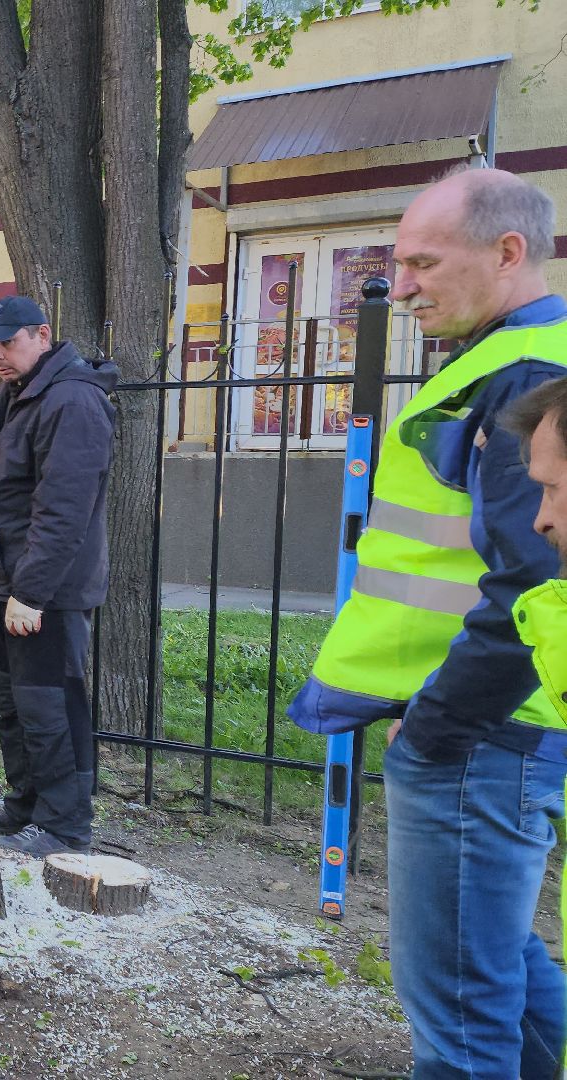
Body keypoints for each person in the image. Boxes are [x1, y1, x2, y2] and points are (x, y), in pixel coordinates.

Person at [289, 167, 567, 1079]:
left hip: (478, 737)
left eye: (420, 262)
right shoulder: (506, 362)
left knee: (457, 1012)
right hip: (495, 732)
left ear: (508, 253)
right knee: (494, 964)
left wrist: (439, 725)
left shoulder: (523, 378)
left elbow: (541, 579)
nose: (399, 285)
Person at [0, 294, 117, 858]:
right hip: (8, 586)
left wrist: (29, 592)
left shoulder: (72, 400)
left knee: (50, 704)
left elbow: (64, 509)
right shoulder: (19, 394)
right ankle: (25, 805)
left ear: (42, 335)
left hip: (43, 591)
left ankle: (65, 824)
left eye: (8, 342)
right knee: (13, 700)